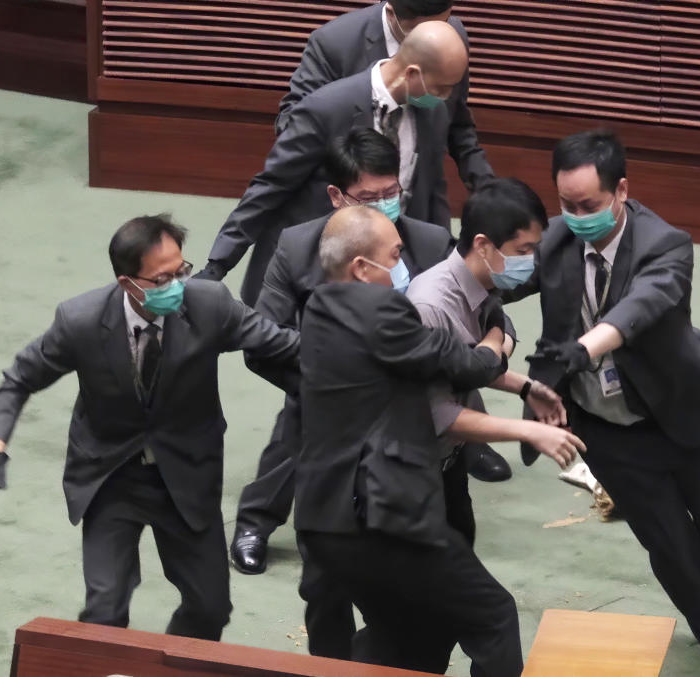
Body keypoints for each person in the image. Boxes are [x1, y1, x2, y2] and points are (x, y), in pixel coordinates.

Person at [0, 215, 300, 641]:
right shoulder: (79, 321)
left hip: (186, 474)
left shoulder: (210, 304)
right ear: (126, 283)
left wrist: (358, 349)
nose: (177, 285)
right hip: (111, 476)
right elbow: (20, 378)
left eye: (181, 271)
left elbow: (281, 343)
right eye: (161, 278)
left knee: (210, 608)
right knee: (104, 611)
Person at [511, 130, 700, 677]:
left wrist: (583, 348)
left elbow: (640, 308)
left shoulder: (666, 243)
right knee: (669, 542)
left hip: (675, 413)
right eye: (566, 206)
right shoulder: (553, 239)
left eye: (589, 206)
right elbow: (498, 279)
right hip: (606, 427)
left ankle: (688, 572)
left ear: (621, 190)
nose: (576, 217)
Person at [230, 129, 511, 579]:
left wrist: (501, 336)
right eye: (369, 196)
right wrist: (334, 367)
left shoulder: (429, 240)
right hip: (326, 379)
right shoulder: (298, 246)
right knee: (301, 432)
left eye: (391, 192)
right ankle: (255, 524)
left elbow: (483, 304)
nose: (384, 203)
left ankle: (465, 453)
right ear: (337, 196)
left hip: (420, 378)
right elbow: (263, 334)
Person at [294, 205, 522, 676]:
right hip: (389, 509)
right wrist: (497, 337)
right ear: (361, 267)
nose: (403, 265)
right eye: (395, 254)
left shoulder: (316, 308)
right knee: (494, 615)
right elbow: (467, 365)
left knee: (399, 634)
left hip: (325, 513)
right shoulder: (386, 309)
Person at [195, 20, 468, 307]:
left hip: (384, 280)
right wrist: (218, 264)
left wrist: (444, 269)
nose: (446, 97)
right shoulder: (325, 108)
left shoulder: (434, 113)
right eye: (442, 87)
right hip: (310, 278)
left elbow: (433, 189)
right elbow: (270, 187)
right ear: (413, 73)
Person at [406, 178, 586, 546]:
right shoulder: (431, 306)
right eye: (524, 249)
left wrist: (525, 386)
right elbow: (436, 414)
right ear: (483, 245)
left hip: (448, 463)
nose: (531, 261)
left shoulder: (481, 282)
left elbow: (464, 365)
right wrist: (529, 431)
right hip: (410, 477)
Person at [276, 0, 493, 194]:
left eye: (443, 22)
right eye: (419, 30)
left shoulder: (450, 40)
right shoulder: (334, 43)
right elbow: (289, 124)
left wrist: (488, 189)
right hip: (349, 203)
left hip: (415, 208)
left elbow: (458, 124)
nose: (434, 35)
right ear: (391, 13)